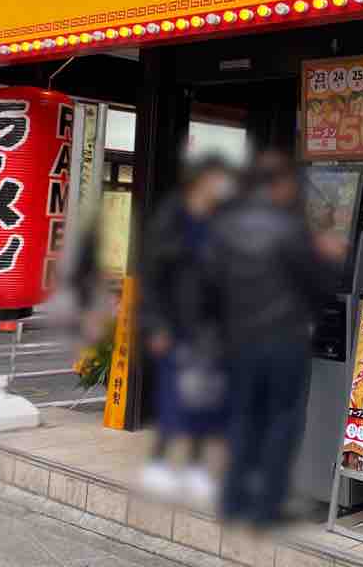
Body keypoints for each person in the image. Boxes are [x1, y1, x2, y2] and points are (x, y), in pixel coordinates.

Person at [211, 150, 345, 527]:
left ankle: (233, 498)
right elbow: (321, 285)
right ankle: (267, 506)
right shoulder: (291, 230)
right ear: (281, 186)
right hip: (283, 341)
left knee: (244, 417)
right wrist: (331, 255)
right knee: (282, 420)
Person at [138, 155, 236, 504]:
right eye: (216, 180)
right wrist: (157, 324)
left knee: (203, 397)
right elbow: (152, 278)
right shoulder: (172, 219)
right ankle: (158, 462)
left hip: (208, 327)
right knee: (173, 395)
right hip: (174, 324)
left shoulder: (218, 222)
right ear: (199, 181)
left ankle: (195, 467)